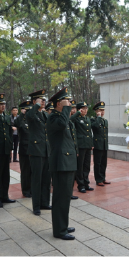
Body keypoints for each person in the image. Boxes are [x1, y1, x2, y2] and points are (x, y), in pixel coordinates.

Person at [47, 87, 77, 240]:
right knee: (60, 197)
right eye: (67, 101)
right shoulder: (53, 118)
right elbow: (62, 123)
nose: (70, 103)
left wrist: (66, 108)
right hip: (60, 163)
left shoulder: (62, 116)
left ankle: (62, 225)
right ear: (58, 103)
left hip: (67, 162)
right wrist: (66, 108)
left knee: (65, 197)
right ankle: (59, 231)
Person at [26, 89, 51, 216]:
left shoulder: (45, 114)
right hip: (36, 150)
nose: (43, 102)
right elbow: (28, 116)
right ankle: (36, 206)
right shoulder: (32, 113)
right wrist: (35, 105)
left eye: (44, 100)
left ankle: (44, 202)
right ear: (34, 101)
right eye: (40, 100)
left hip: (46, 150)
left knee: (46, 179)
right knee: (37, 179)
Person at [70, 102, 94, 193]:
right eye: (83, 108)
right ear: (79, 109)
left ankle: (86, 183)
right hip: (80, 145)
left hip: (87, 145)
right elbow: (70, 120)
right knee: (80, 166)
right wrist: (77, 113)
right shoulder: (76, 118)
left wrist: (91, 144)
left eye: (86, 108)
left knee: (86, 165)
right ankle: (81, 185)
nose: (85, 110)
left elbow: (89, 133)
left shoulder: (87, 119)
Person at [91, 101, 111, 186]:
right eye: (100, 110)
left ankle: (103, 178)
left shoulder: (105, 121)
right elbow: (94, 126)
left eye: (103, 110)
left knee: (104, 163)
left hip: (104, 144)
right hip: (97, 145)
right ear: (96, 111)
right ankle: (98, 179)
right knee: (98, 163)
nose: (102, 112)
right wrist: (98, 117)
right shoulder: (93, 119)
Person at [15, 100, 32, 198]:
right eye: (27, 109)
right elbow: (17, 123)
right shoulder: (21, 119)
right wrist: (22, 114)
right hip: (24, 150)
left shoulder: (32, 119)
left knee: (33, 171)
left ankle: (32, 189)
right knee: (25, 171)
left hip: (34, 149)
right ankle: (26, 190)